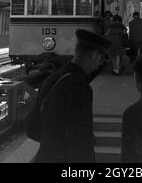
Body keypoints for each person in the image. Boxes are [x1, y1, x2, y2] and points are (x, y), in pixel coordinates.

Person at [34, 29, 111, 163]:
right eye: (101, 58)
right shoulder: (79, 87)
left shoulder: (53, 78)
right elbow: (81, 140)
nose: (100, 63)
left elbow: (31, 128)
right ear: (93, 55)